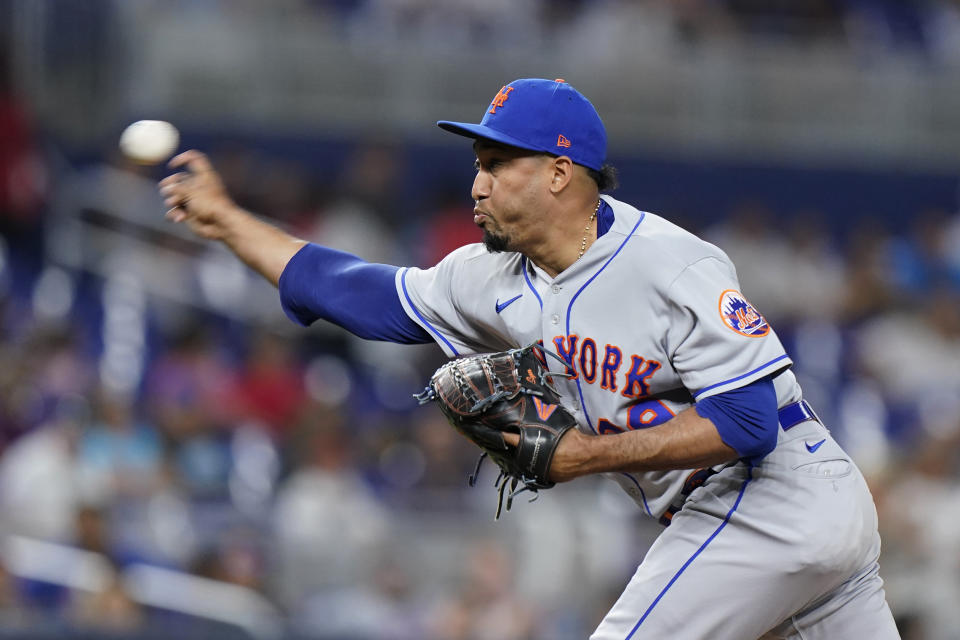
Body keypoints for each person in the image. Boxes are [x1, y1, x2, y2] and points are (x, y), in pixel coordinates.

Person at [159, 78, 900, 639]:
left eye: (496, 163)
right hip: (774, 519)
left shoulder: (671, 262)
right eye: (477, 163)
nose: (476, 183)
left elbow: (748, 424)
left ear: (558, 172)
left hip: (771, 495)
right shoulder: (484, 278)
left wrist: (582, 456)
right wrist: (227, 223)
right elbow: (351, 290)